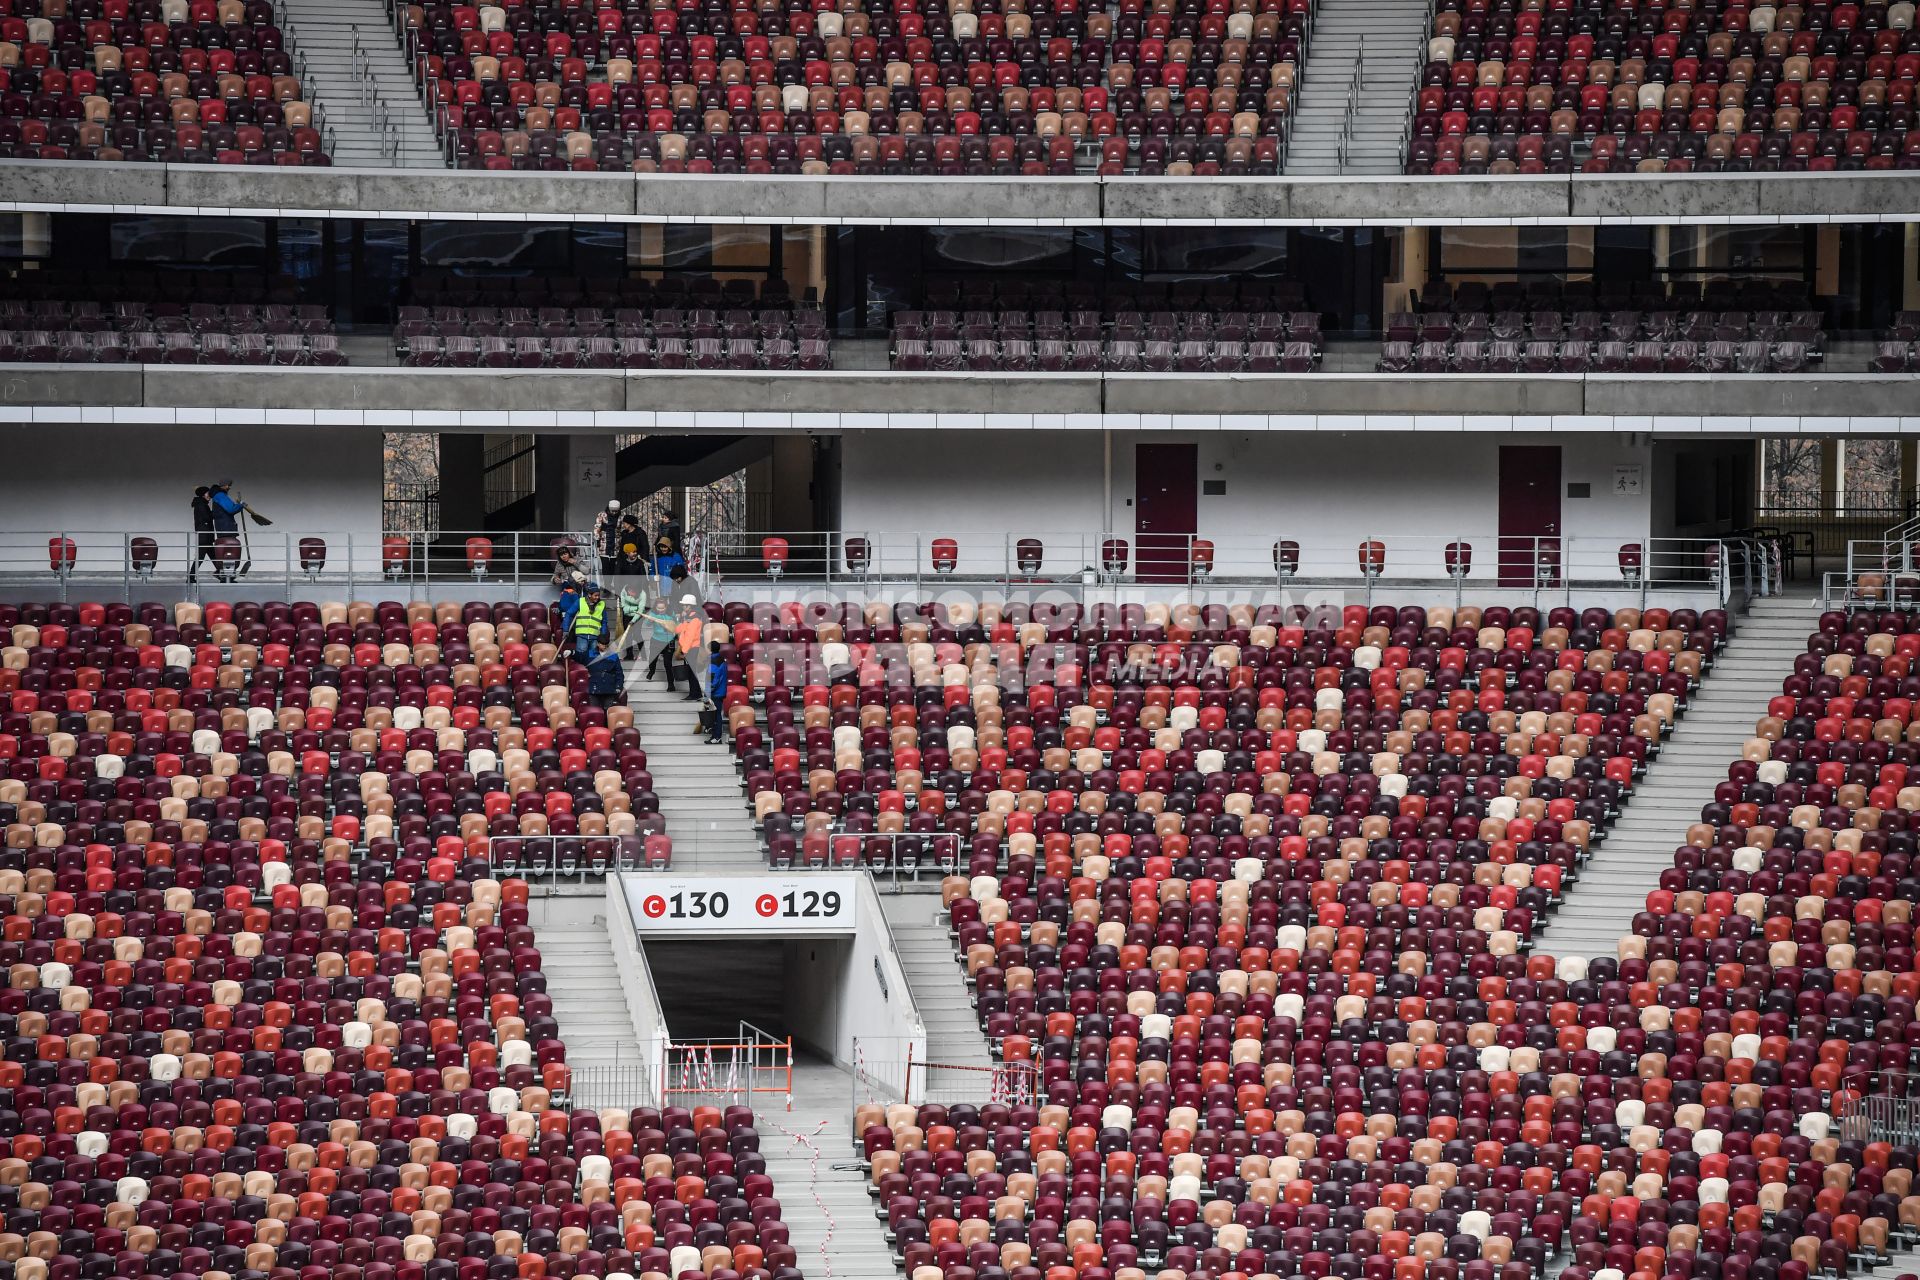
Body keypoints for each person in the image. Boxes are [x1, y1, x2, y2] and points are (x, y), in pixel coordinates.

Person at [569, 582, 611, 662]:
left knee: (594, 659)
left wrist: (603, 635)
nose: (597, 597)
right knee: (581, 658)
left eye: (598, 595)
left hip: (595, 636)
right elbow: (569, 614)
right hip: (582, 635)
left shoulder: (602, 604)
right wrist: (565, 629)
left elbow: (604, 621)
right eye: (595, 595)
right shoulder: (580, 601)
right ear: (589, 595)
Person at [672, 597, 705, 702]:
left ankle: (695, 694)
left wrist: (683, 651)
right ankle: (695, 693)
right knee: (691, 673)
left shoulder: (694, 619)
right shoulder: (689, 617)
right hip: (690, 649)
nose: (683, 607)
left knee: (692, 673)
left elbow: (690, 637)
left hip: (692, 649)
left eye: (685, 605)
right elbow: (679, 629)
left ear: (690, 606)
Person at [585, 637, 626, 710]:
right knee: (595, 712)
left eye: (606, 645)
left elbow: (619, 673)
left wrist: (618, 686)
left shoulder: (613, 655)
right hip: (595, 688)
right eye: (603, 644)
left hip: (609, 688)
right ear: (598, 644)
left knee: (608, 711)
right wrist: (572, 652)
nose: (604, 646)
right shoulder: (590, 653)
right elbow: (579, 656)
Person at [702, 646, 730, 744]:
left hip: (715, 693)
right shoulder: (720, 659)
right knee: (716, 715)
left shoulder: (714, 661)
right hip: (719, 692)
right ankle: (714, 733)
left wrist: (707, 692)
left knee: (716, 715)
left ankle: (716, 737)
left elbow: (713, 680)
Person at [189, 486, 215, 583]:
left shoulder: (201, 504)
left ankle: (222, 575)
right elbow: (207, 518)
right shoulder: (201, 505)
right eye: (208, 494)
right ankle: (191, 577)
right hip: (204, 536)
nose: (210, 496)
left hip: (205, 535)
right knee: (201, 557)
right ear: (203, 494)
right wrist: (215, 512)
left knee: (214, 557)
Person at [594, 500, 624, 579]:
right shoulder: (602, 515)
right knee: (605, 566)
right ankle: (607, 586)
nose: (614, 513)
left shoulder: (621, 517)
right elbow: (597, 528)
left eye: (616, 511)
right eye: (612, 511)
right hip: (604, 543)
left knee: (613, 567)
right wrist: (597, 540)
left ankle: (611, 585)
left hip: (616, 544)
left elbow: (622, 529)